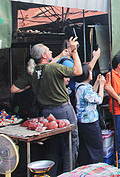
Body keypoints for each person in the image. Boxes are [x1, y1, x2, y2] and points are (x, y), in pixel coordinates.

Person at [10, 37, 82, 176]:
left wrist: (32, 84)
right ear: (44, 55)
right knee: (70, 143)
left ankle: (51, 173)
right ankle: (69, 173)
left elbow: (13, 89)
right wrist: (74, 50)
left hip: (46, 114)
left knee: (52, 146)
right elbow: (78, 71)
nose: (50, 52)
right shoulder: (54, 68)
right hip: (63, 111)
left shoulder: (32, 73)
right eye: (48, 51)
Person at [75, 63, 106, 165]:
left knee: (85, 148)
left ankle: (85, 168)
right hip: (90, 121)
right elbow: (98, 99)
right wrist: (101, 85)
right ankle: (97, 169)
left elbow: (91, 94)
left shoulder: (80, 86)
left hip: (82, 121)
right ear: (87, 74)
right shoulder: (85, 88)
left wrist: (96, 82)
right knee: (96, 147)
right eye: (90, 71)